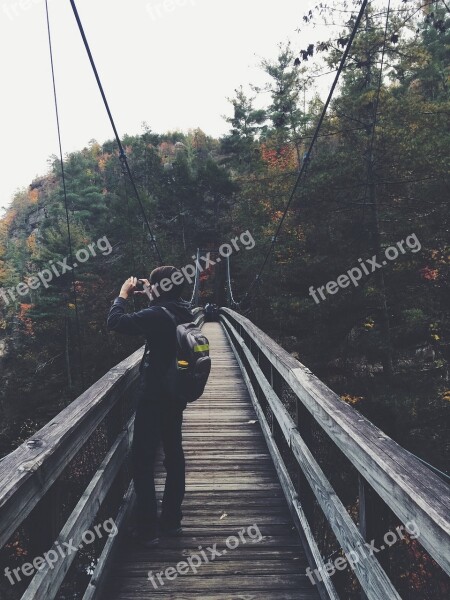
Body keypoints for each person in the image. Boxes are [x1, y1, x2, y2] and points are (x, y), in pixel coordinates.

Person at [107, 266, 194, 547]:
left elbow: (116, 322)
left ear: (159, 289)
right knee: (174, 456)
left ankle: (147, 528)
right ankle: (171, 522)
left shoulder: (157, 315)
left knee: (142, 462)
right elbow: (162, 314)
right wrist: (153, 292)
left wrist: (123, 295)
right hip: (176, 394)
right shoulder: (184, 310)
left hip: (153, 396)